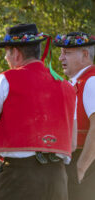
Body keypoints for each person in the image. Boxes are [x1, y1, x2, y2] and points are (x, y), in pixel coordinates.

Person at [0, 23, 76, 200]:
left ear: (16, 52)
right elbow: (72, 144)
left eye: (7, 53)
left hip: (20, 177)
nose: (6, 58)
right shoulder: (67, 86)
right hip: (58, 179)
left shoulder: (6, 79)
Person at [54, 32, 95, 200]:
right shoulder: (77, 82)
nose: (60, 58)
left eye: (67, 53)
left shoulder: (91, 81)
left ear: (85, 54)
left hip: (85, 163)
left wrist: (80, 169)